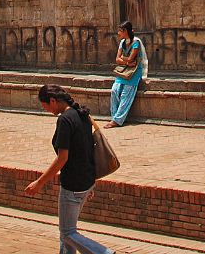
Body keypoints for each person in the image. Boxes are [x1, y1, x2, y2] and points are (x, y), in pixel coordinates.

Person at [24, 84, 113, 254]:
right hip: (86, 182)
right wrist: (91, 182)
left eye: (46, 106)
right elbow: (87, 150)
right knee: (67, 231)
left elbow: (62, 158)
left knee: (67, 232)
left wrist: (39, 182)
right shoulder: (81, 114)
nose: (47, 110)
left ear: (53, 101)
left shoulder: (65, 120)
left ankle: (103, 252)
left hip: (73, 185)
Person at [106, 20, 147, 128]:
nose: (118, 33)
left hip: (133, 73)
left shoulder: (136, 42)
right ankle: (114, 116)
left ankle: (117, 120)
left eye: (120, 31)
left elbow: (130, 58)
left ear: (125, 31)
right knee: (114, 91)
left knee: (125, 96)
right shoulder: (122, 43)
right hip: (123, 71)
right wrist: (127, 61)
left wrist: (124, 59)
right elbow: (118, 59)